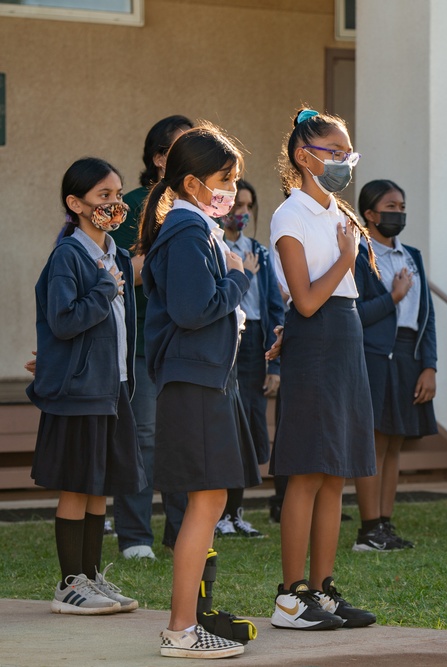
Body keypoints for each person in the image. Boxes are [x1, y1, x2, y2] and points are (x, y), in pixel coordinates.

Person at [138, 125, 260, 658]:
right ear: (191, 182)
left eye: (234, 181)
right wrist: (239, 279)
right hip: (195, 383)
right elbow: (192, 310)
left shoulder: (196, 227)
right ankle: (182, 630)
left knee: (207, 505)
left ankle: (189, 623)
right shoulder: (189, 232)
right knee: (202, 506)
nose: (230, 191)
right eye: (223, 180)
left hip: (206, 380)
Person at [267, 107, 377, 630]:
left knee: (335, 473)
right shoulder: (290, 215)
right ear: (302, 155)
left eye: (346, 151)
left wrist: (346, 254)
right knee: (307, 473)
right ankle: (291, 596)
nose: (343, 161)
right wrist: (347, 257)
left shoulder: (338, 212)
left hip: (345, 334)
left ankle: (323, 589)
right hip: (318, 336)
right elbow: (306, 301)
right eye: (333, 152)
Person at [28, 157, 143, 615]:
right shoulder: (68, 256)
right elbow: (63, 320)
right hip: (80, 393)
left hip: (110, 386)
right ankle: (68, 585)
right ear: (75, 204)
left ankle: (92, 577)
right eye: (103, 197)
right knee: (77, 485)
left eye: (117, 195)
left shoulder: (112, 252)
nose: (114, 204)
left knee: (100, 485)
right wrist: (103, 291)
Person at [112, 114, 192, 560]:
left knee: (182, 438)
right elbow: (123, 274)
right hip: (142, 341)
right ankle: (135, 536)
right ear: (159, 158)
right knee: (142, 437)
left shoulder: (203, 209)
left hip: (188, 345)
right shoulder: (133, 205)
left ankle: (183, 531)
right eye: (182, 148)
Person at [352, 179, 437, 551]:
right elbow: (355, 314)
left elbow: (427, 317)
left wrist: (429, 365)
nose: (398, 213)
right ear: (369, 214)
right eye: (390, 207)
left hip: (409, 356)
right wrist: (393, 297)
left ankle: (385, 523)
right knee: (372, 441)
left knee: (394, 443)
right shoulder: (357, 255)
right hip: (373, 356)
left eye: (402, 207)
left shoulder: (412, 256)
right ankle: (368, 528)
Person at [215, 179, 283, 540]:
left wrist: (275, 365)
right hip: (225, 343)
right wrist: (244, 273)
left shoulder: (259, 250)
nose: (241, 212)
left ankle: (236, 512)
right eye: (235, 204)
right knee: (223, 426)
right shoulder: (212, 246)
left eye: (247, 206)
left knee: (250, 425)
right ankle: (217, 514)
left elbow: (274, 306)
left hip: (255, 344)